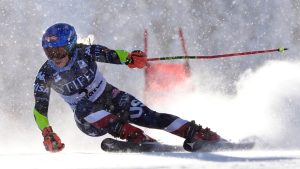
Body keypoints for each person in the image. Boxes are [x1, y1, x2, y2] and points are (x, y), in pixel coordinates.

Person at [33, 23, 220, 153]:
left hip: (110, 97)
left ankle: (195, 133)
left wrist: (130, 58)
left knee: (149, 116)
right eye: (49, 52)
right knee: (83, 105)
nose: (55, 57)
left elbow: (111, 55)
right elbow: (40, 109)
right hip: (89, 121)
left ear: (71, 45)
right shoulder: (45, 74)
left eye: (59, 51)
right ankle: (135, 136)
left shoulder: (85, 52)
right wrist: (47, 132)